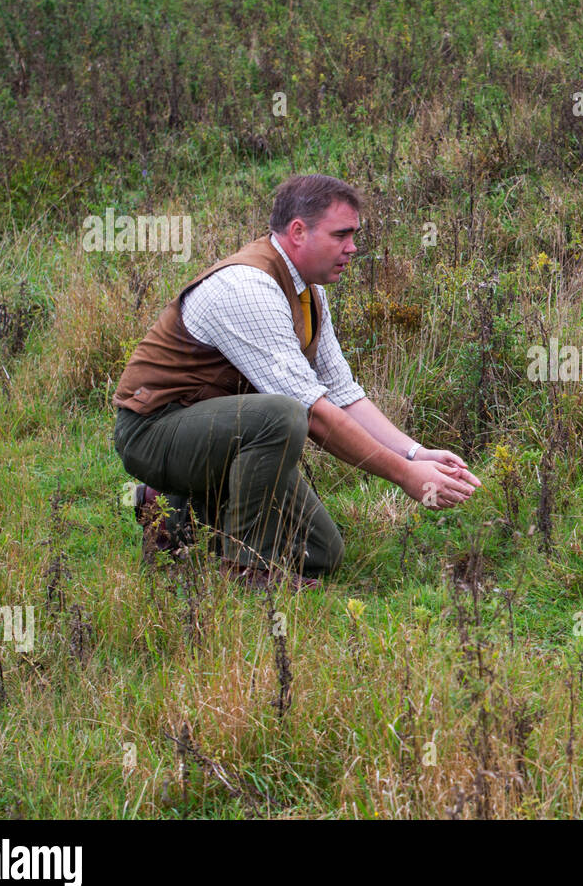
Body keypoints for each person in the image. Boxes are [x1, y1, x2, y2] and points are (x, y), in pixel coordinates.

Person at [111, 174, 480, 591]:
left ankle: (169, 509)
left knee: (320, 553)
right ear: (298, 232)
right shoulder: (249, 287)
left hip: (215, 435)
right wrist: (405, 477)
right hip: (153, 433)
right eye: (341, 234)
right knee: (283, 417)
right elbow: (314, 416)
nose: (353, 248)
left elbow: (341, 393)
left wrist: (414, 454)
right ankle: (245, 570)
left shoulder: (308, 290)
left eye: (354, 235)